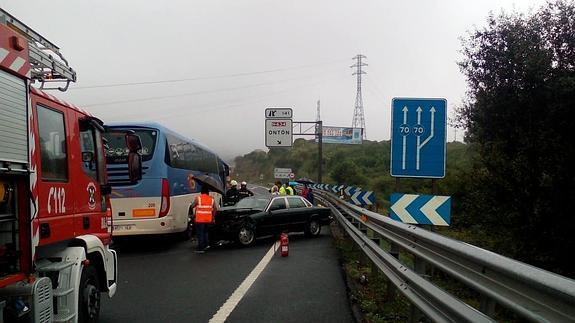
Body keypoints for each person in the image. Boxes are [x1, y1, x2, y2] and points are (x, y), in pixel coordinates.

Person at [191, 186, 217, 253]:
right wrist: (213, 217)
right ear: (208, 192)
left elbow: (192, 206)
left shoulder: (198, 198)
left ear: (201, 192)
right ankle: (206, 245)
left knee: (200, 233)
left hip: (199, 219)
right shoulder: (212, 199)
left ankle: (200, 248)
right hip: (208, 219)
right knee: (206, 232)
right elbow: (215, 208)